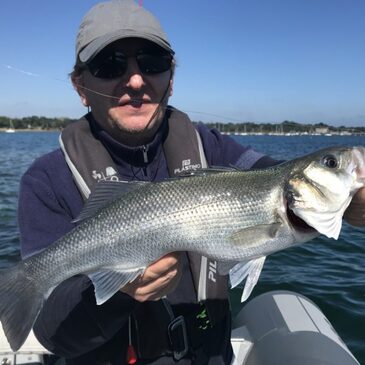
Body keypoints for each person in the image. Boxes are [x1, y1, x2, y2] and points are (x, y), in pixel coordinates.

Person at [17, 1, 365, 364]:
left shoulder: (211, 146)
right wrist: (121, 291)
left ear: (171, 78)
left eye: (152, 62)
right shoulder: (46, 181)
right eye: (110, 65)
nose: (135, 80)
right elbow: (52, 332)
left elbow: (274, 173)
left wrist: (354, 201)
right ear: (80, 86)